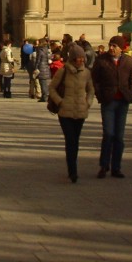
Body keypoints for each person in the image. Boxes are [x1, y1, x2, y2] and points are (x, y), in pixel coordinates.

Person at [90, 35, 132, 178]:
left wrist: (130, 94)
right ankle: (104, 165)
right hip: (108, 101)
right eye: (110, 45)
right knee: (108, 134)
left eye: (114, 46)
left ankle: (116, 167)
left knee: (119, 136)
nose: (111, 48)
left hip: (123, 101)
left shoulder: (128, 61)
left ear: (121, 48)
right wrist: (100, 95)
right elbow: (94, 80)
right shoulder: (101, 60)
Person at [49, 44, 95, 183]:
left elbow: (91, 90)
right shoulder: (63, 71)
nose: (81, 60)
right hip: (65, 111)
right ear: (73, 58)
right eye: (79, 58)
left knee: (76, 140)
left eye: (82, 58)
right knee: (70, 140)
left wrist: (88, 103)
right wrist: (60, 102)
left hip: (80, 111)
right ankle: (72, 171)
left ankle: (73, 166)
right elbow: (52, 88)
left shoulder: (86, 73)